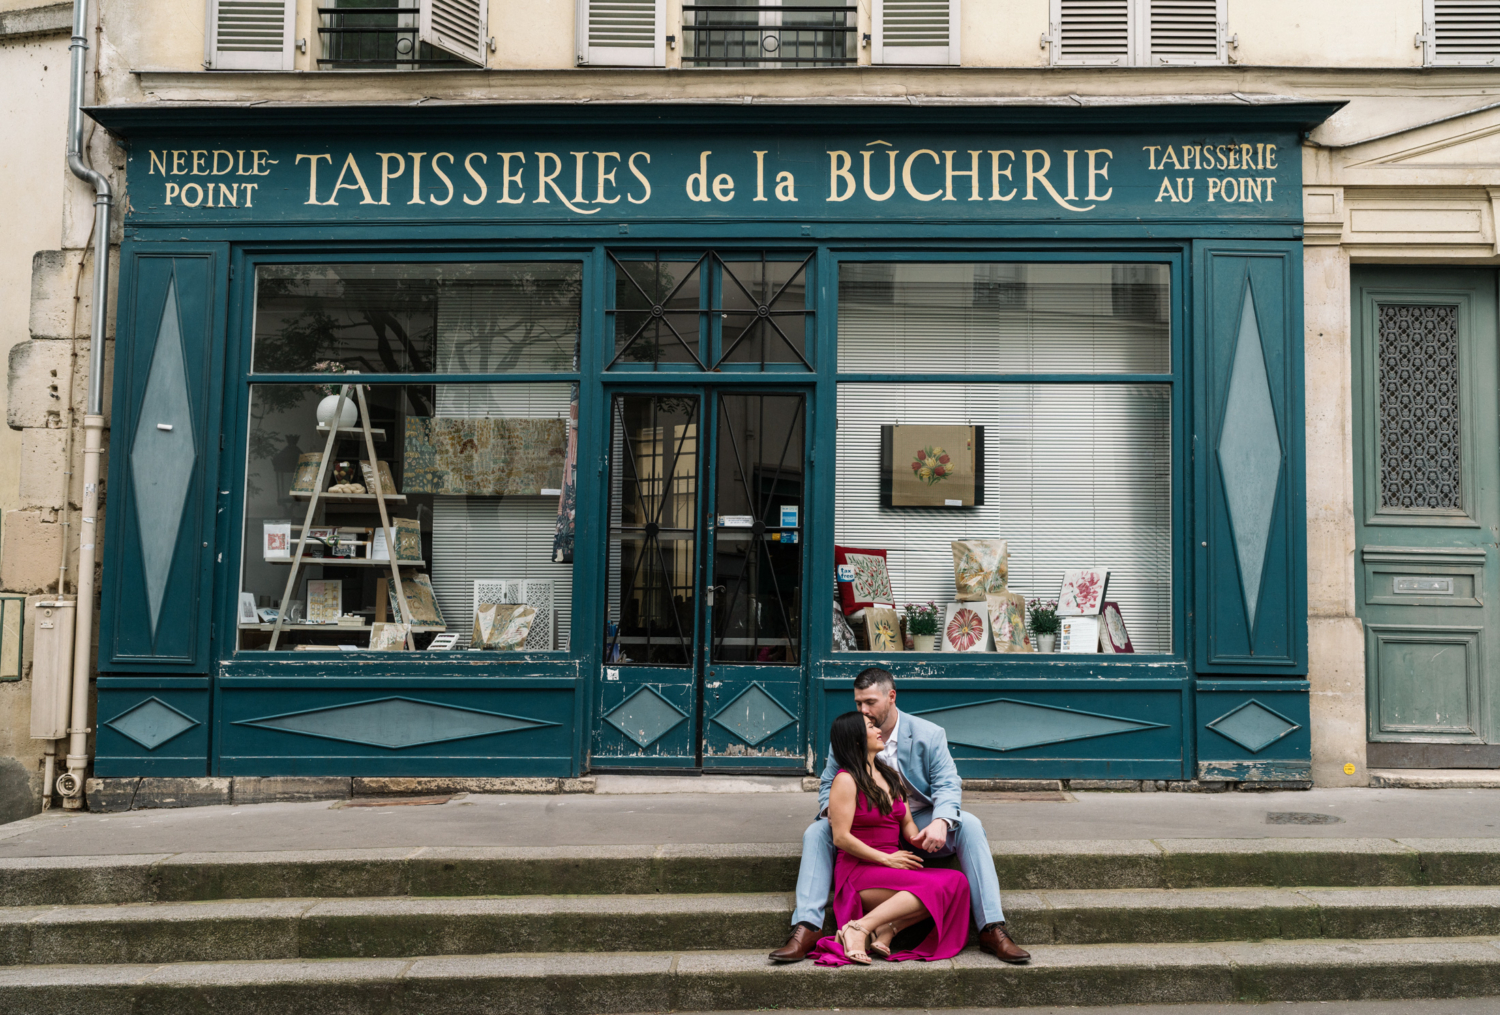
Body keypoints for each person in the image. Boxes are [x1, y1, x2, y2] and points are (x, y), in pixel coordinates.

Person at [770, 666, 1030, 964]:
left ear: (891, 696)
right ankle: (807, 926)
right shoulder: (849, 735)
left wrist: (940, 823)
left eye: (870, 702)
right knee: (816, 831)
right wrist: (842, 811)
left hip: (915, 820)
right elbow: (829, 784)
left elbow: (948, 784)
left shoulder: (928, 734)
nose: (863, 710)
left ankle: (991, 927)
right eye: (858, 704)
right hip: (863, 829)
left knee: (969, 824)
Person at [806, 710, 971, 965]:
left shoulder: (891, 776)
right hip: (858, 869)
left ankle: (888, 928)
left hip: (889, 863)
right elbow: (840, 838)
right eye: (870, 727)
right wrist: (886, 859)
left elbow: (907, 823)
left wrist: (919, 838)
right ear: (857, 738)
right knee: (932, 887)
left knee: (958, 883)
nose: (878, 730)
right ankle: (858, 927)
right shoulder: (845, 780)